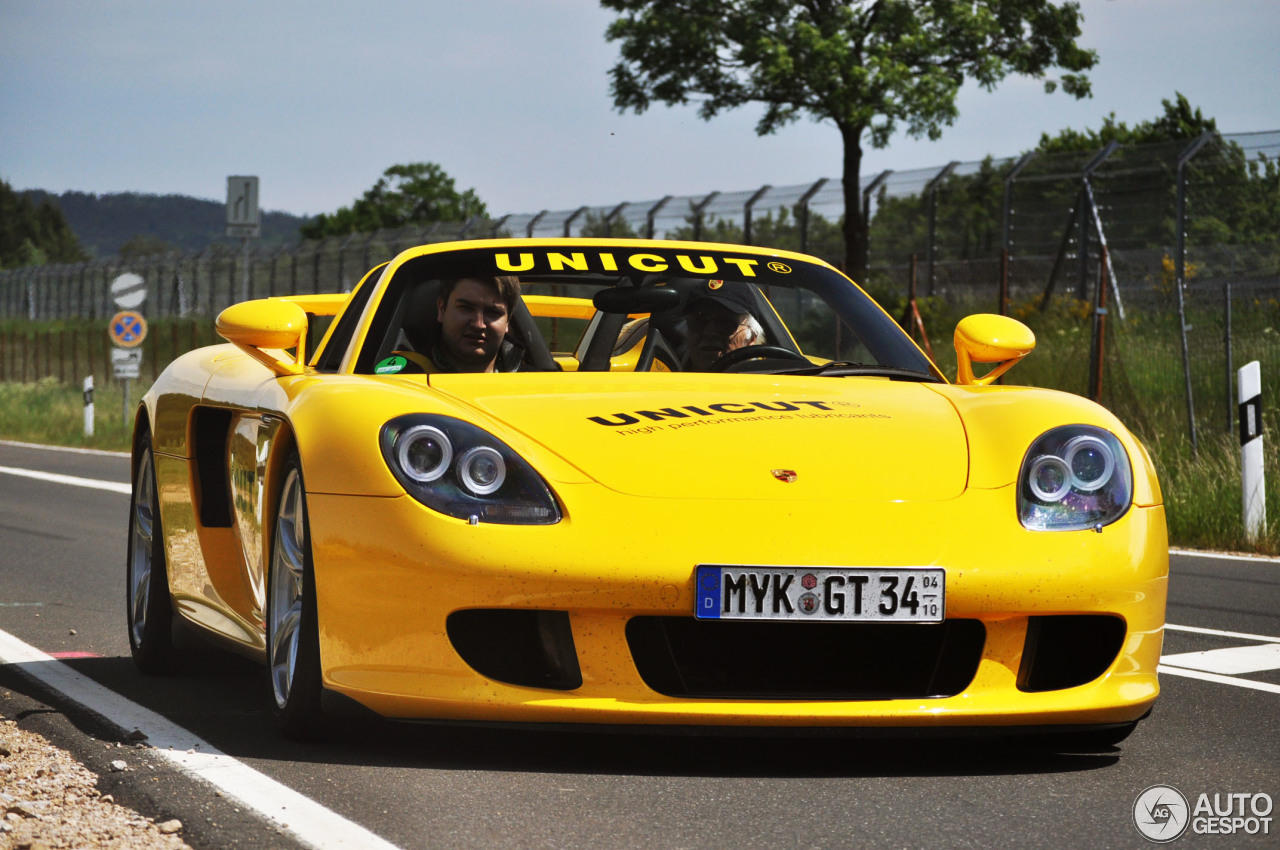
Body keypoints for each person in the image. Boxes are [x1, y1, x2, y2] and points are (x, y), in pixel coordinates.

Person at [386, 275, 524, 374]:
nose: (478, 324)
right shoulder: (399, 380)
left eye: (493, 312)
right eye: (466, 308)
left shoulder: (534, 383)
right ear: (441, 309)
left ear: (508, 321)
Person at [682, 280, 765, 370]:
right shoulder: (667, 370)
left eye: (725, 323)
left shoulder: (768, 380)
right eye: (699, 321)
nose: (709, 333)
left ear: (752, 339)